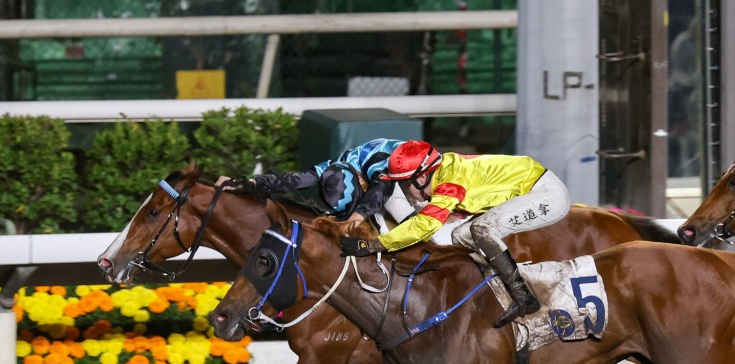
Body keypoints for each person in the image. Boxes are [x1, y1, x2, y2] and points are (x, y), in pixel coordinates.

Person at [338, 140, 571, 327]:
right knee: (460, 235)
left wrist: (374, 245)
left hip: (547, 195)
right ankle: (495, 290)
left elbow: (423, 226)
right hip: (528, 187)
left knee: (481, 229)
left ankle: (524, 298)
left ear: (420, 178)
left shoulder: (450, 183)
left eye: (404, 183)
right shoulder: (441, 172)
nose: (404, 192)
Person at [217, 137, 409, 224]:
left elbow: (381, 190)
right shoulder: (330, 168)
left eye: (361, 192)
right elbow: (291, 180)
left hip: (420, 178)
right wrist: (246, 183)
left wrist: (356, 217)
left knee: (390, 201)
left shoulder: (379, 160)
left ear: (359, 178)